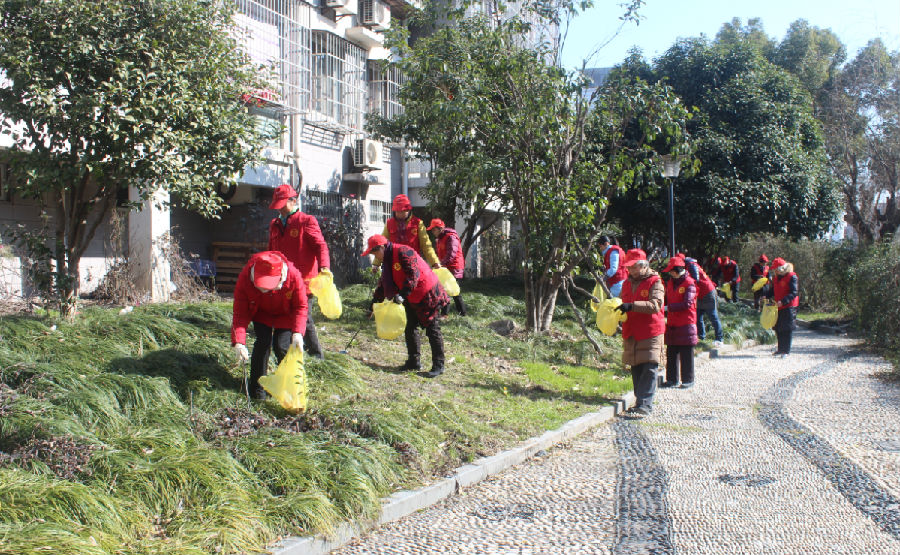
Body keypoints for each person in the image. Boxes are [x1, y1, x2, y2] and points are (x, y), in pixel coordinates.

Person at [363, 234, 449, 378]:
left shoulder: (403, 251)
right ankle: (413, 362)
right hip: (410, 295)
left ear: (382, 247)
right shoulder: (387, 260)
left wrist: (402, 295)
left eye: (374, 252)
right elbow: (383, 285)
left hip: (427, 292)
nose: (374, 256)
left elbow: (413, 274)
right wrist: (373, 305)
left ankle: (438, 365)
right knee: (410, 327)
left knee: (432, 328)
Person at [231, 251, 308, 400]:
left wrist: (298, 333)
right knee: (263, 343)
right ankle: (257, 391)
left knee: (282, 346)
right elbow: (240, 313)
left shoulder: (293, 276)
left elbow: (301, 306)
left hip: (285, 315)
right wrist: (239, 342)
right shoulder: (245, 278)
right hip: (261, 313)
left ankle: (288, 388)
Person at [267, 183, 330, 359]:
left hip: (304, 280)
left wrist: (324, 268)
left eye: (282, 204)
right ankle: (294, 352)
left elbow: (320, 246)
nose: (279, 209)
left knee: (305, 317)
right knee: (288, 316)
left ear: (293, 201)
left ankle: (317, 356)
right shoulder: (275, 224)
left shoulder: (306, 221)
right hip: (282, 280)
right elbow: (271, 251)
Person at [614, 249, 665, 416]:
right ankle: (639, 402)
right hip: (632, 332)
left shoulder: (655, 282)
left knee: (649, 367)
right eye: (629, 268)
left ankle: (645, 405)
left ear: (644, 266)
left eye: (634, 267)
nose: (631, 271)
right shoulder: (626, 283)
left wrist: (632, 306)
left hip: (650, 331)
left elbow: (656, 305)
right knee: (635, 366)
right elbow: (620, 301)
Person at [661, 257, 698, 388]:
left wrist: (668, 308)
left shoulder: (689, 283)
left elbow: (687, 303)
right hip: (672, 322)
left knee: (686, 353)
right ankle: (671, 379)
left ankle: (688, 380)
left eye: (671, 271)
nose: (670, 273)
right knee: (671, 351)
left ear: (677, 270)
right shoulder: (670, 283)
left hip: (686, 322)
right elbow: (666, 298)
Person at [382, 194, 440, 268]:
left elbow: (426, 245)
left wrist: (434, 262)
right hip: (394, 265)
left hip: (413, 264)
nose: (399, 214)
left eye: (402, 211)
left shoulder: (417, 223)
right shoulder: (389, 223)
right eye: (397, 211)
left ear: (408, 210)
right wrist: (376, 264)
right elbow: (382, 244)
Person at [427, 218, 467, 316]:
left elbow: (451, 254)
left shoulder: (451, 237)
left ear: (440, 228)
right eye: (431, 230)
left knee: (451, 290)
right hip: (446, 267)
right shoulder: (439, 238)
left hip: (454, 267)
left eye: (434, 229)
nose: (432, 232)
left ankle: (450, 314)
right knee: (448, 290)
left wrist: (442, 263)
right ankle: (458, 313)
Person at [685, 256, 723, 346]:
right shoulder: (690, 265)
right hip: (700, 294)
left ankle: (719, 339)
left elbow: (695, 279)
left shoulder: (691, 265)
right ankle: (701, 337)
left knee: (713, 316)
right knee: (698, 317)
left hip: (707, 293)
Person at [765, 257, 799, 357]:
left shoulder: (792, 277)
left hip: (789, 306)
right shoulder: (776, 278)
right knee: (778, 328)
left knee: (787, 328)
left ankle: (786, 351)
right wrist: (765, 295)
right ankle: (780, 349)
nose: (774, 271)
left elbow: (794, 292)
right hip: (778, 306)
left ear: (781, 268)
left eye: (776, 269)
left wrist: (783, 301)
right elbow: (773, 290)